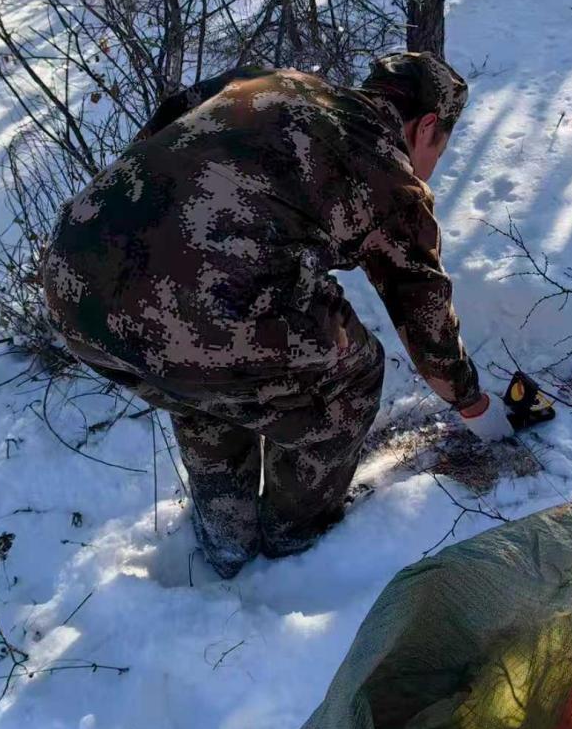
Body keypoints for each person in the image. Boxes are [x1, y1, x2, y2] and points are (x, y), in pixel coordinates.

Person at [41, 53, 512, 578]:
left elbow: (167, 123)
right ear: (427, 126)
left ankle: (227, 543)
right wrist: (472, 403)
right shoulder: (386, 166)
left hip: (75, 282)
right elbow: (423, 310)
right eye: (440, 148)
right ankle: (295, 541)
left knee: (204, 384)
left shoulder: (270, 83)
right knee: (352, 377)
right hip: (199, 300)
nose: (433, 164)